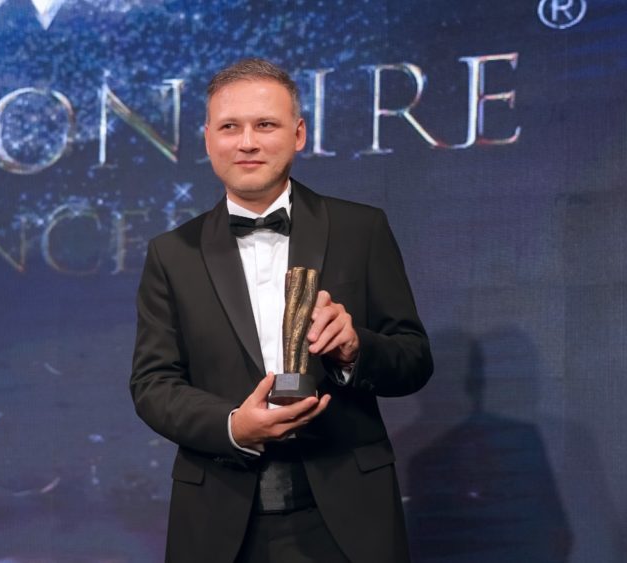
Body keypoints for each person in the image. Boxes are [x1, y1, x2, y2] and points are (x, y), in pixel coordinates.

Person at [130, 58, 433, 562]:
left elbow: (414, 359)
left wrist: (354, 348)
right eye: (230, 127)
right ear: (208, 139)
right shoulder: (171, 253)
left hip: (347, 515)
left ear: (298, 134)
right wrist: (233, 426)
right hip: (219, 519)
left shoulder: (361, 230)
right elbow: (152, 385)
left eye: (265, 125)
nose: (247, 142)